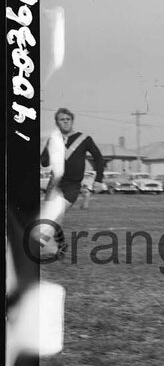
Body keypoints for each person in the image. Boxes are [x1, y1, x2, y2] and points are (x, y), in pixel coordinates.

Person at [37, 108, 105, 257]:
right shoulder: (53, 139)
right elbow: (44, 162)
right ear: (57, 122)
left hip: (72, 186)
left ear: (72, 121)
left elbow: (98, 158)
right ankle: (61, 248)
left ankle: (37, 246)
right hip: (53, 184)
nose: (66, 122)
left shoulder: (84, 138)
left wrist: (98, 180)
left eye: (68, 119)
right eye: (62, 119)